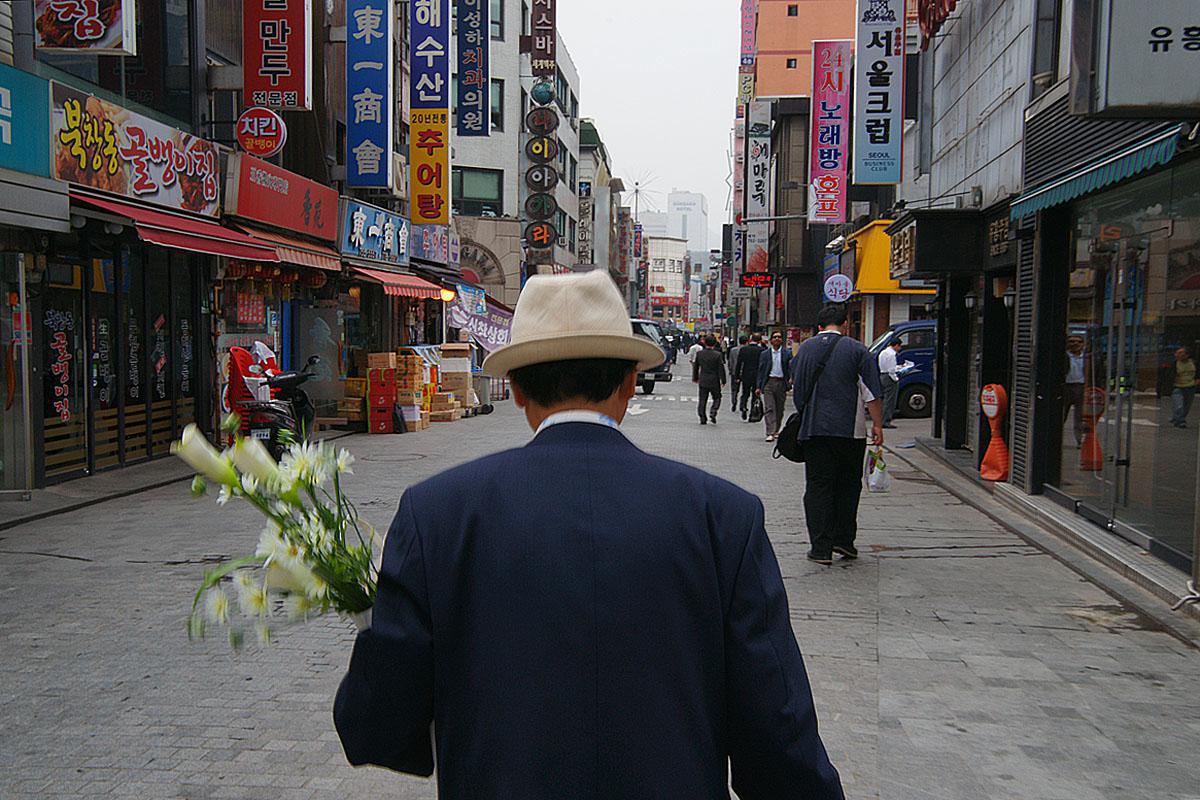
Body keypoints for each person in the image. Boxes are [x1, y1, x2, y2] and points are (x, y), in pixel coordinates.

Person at [333, 271, 845, 800]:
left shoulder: (436, 513)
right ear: (628, 383)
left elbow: (375, 726)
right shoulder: (724, 516)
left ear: (514, 389)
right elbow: (779, 735)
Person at [791, 304, 884, 566]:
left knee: (818, 486)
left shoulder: (804, 350)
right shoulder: (857, 350)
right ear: (845, 324)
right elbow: (872, 393)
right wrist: (877, 425)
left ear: (819, 327)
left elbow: (797, 389)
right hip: (850, 433)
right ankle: (844, 540)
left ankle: (820, 548)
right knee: (848, 485)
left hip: (813, 431)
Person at [757, 331, 793, 442]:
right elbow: (761, 370)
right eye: (775, 337)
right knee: (769, 408)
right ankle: (770, 432)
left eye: (779, 337)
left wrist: (791, 379)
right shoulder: (765, 354)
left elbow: (790, 368)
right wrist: (758, 386)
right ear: (771, 340)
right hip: (769, 382)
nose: (777, 339)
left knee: (779, 408)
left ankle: (777, 430)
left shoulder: (787, 353)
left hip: (781, 383)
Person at [693, 334, 727, 425]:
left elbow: (696, 367)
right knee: (717, 397)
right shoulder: (717, 355)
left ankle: (702, 417)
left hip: (703, 379)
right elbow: (721, 368)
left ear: (705, 342)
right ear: (714, 343)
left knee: (702, 399)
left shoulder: (700, 354)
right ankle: (713, 411)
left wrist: (695, 378)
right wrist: (723, 380)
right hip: (714, 380)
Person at [1064, 335, 1088, 445]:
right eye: (1072, 341)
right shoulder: (1064, 356)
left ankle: (1079, 441)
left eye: (1079, 342)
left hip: (1081, 387)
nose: (1075, 344)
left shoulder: (1087, 358)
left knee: (1080, 417)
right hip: (1066, 388)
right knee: (1062, 415)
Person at [734, 333, 764, 420]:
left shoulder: (744, 350)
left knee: (745, 392)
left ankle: (743, 406)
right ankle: (752, 413)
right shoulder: (762, 350)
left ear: (751, 340)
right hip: (757, 376)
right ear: (759, 341)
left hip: (746, 374)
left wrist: (737, 376)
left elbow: (739, 363)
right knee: (755, 395)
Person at [1171, 346, 1198, 428]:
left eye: (1180, 353)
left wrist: (1197, 379)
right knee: (1179, 405)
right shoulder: (1175, 363)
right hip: (1178, 387)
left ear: (1186, 355)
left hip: (1190, 386)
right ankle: (1181, 421)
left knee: (1187, 406)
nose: (1178, 355)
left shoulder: (1193, 362)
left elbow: (1198, 371)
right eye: (1177, 353)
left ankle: (1177, 418)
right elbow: (1170, 375)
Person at [878, 339, 903, 429]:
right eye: (899, 346)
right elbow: (891, 370)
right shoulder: (892, 355)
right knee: (890, 400)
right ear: (896, 345)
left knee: (884, 399)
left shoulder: (883, 352)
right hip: (889, 377)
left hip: (882, 375)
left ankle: (881, 419)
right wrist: (895, 379)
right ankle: (886, 421)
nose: (899, 349)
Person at [728, 335, 748, 406]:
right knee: (745, 389)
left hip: (734, 371)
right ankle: (742, 404)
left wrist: (730, 369)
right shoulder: (747, 350)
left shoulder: (733, 350)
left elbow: (730, 361)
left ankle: (734, 400)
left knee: (734, 389)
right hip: (745, 372)